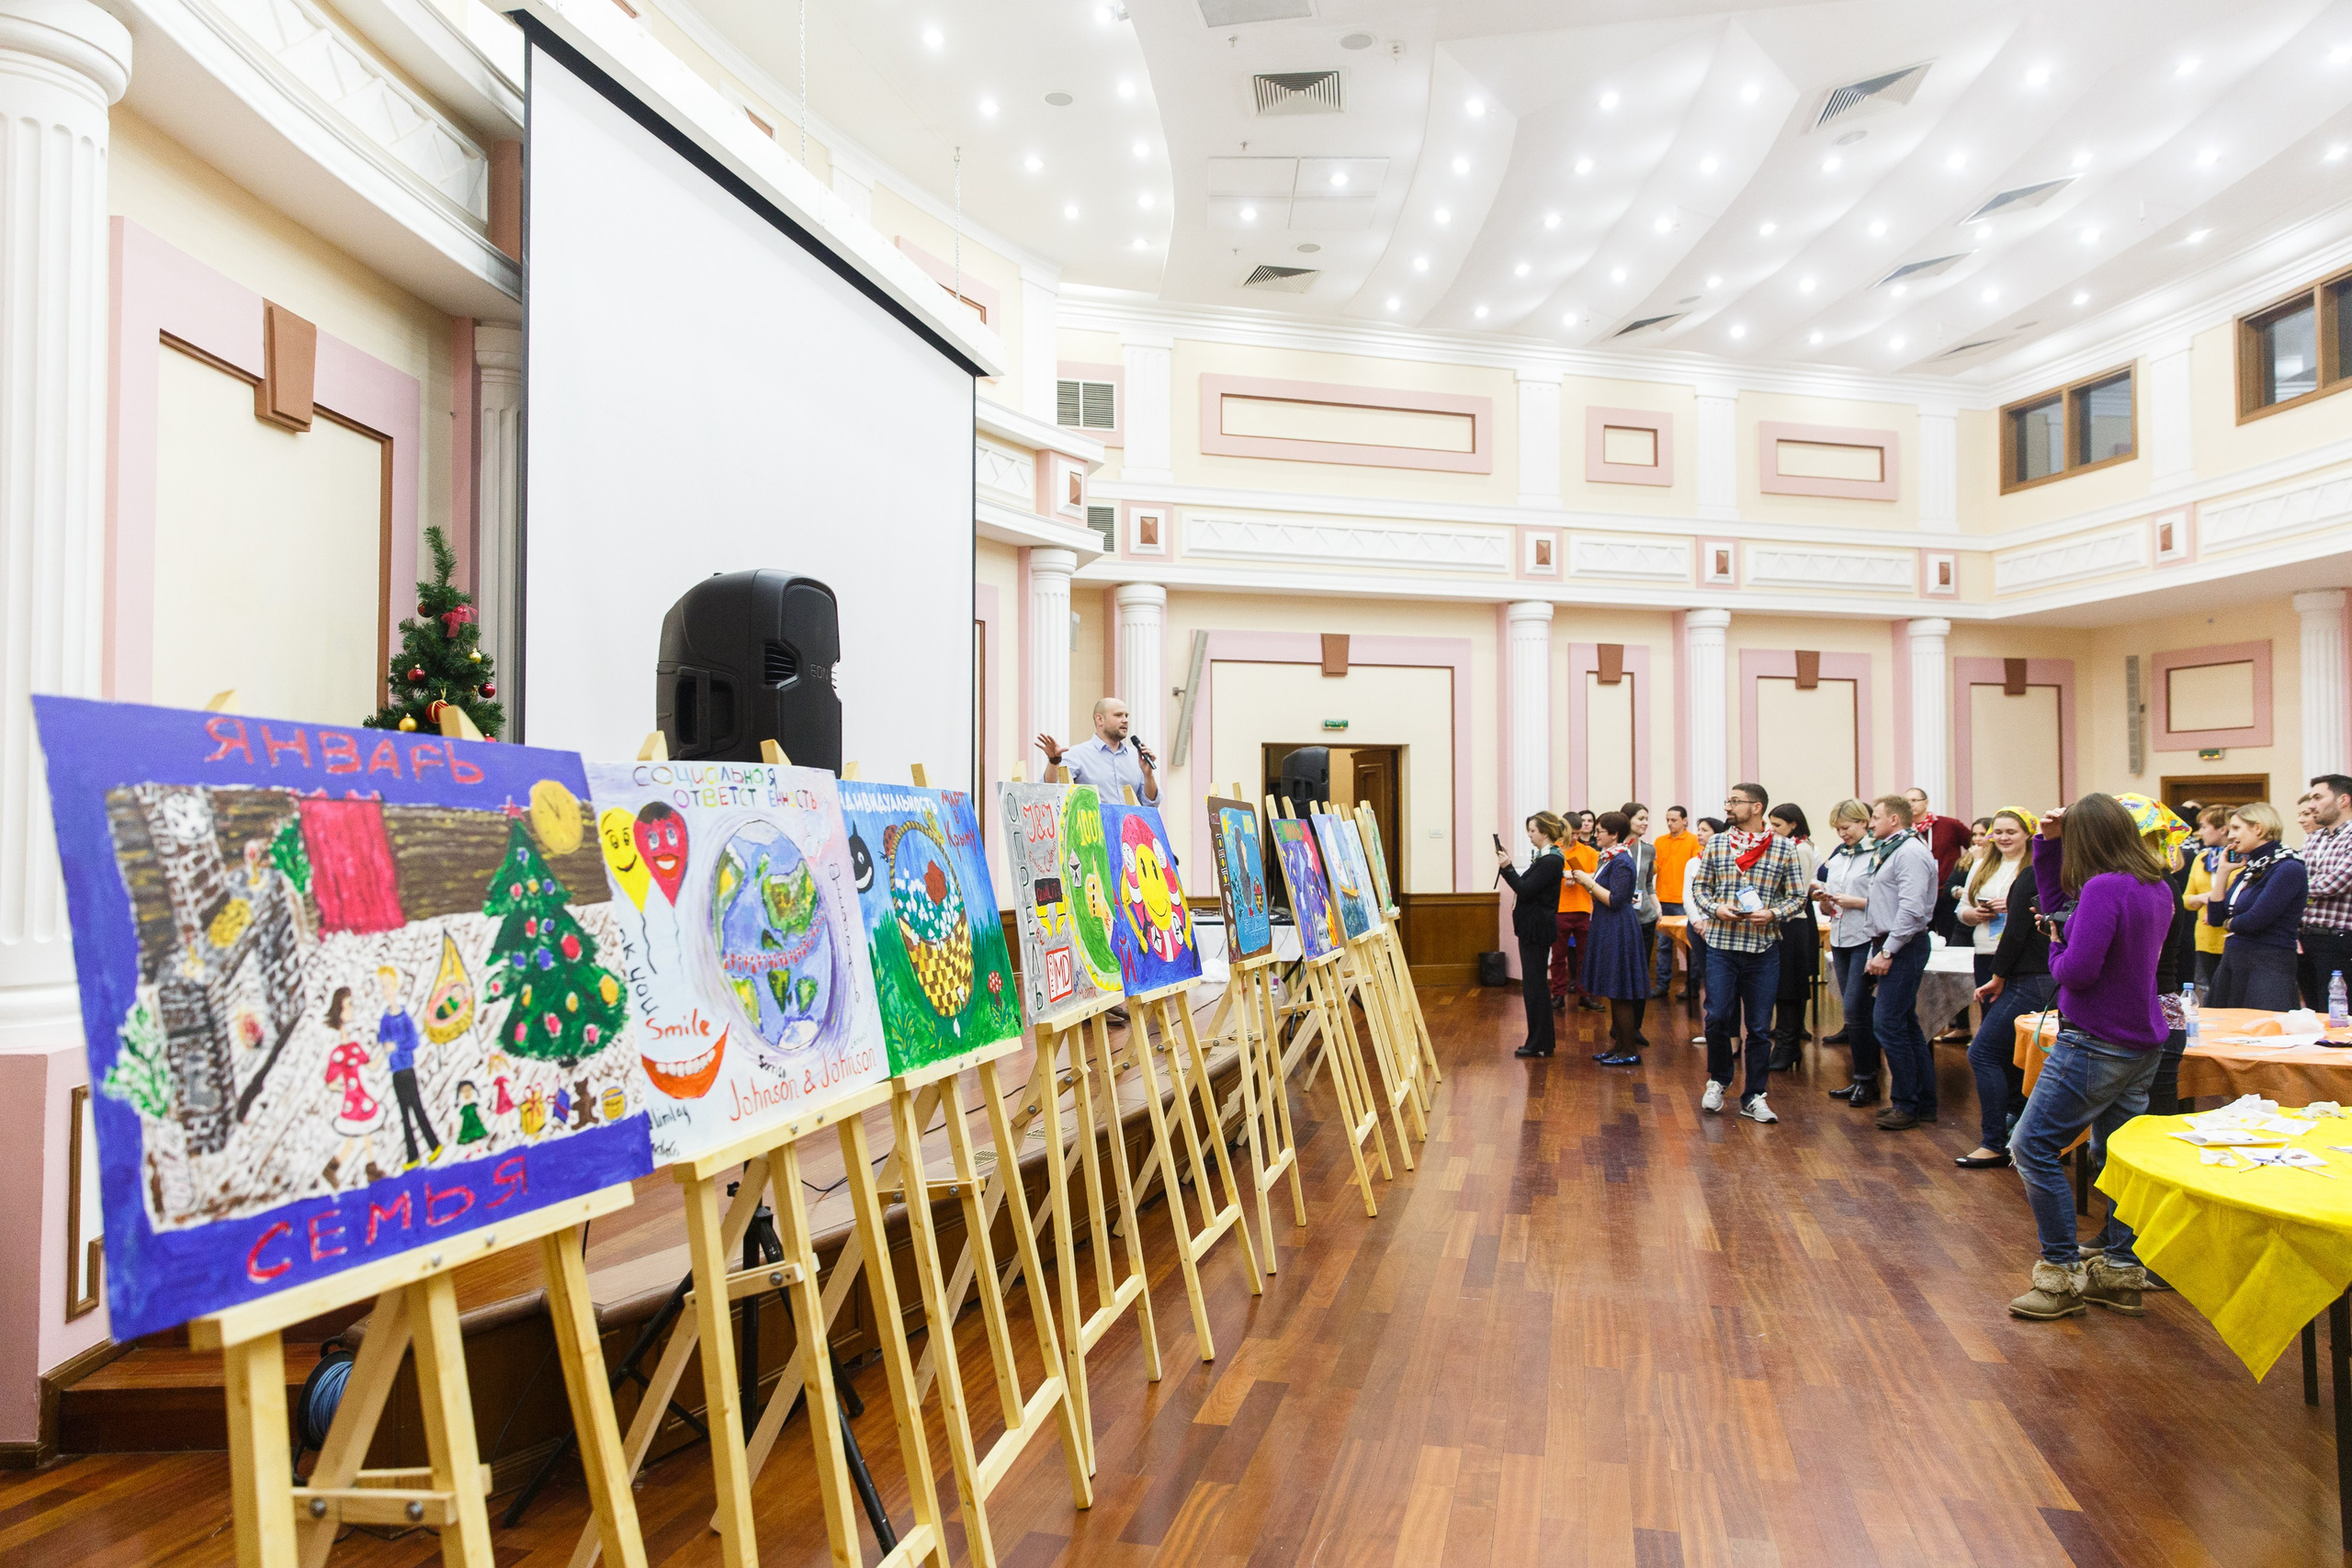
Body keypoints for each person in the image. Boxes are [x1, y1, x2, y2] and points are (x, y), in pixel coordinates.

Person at [2006, 795, 2177, 1322]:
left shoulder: (2105, 888)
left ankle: (2059, 1278)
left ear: (2087, 842)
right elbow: (2060, 901)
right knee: (2117, 1158)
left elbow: (2076, 972)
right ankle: (2121, 1274)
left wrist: (2056, 942)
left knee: (2032, 1148)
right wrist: (2045, 844)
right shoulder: (2155, 885)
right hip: (2142, 1040)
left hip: (2096, 1039)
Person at [1687, 785, 1804, 1123]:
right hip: (1722, 945)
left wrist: (1773, 913)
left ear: (1756, 807)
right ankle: (1718, 1080)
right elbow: (1700, 888)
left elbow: (1797, 897)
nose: (1728, 806)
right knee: (1718, 1017)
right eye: (1727, 801)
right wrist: (1714, 907)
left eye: (1734, 802)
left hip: (1762, 948)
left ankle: (1754, 1095)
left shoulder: (1783, 847)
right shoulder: (1719, 843)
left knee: (1758, 1027)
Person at [1956, 810, 2052, 1168]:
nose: (2003, 837)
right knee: (2009, 1054)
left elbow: (2015, 934)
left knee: (1984, 1053)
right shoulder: (2060, 874)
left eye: (2013, 831)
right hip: (2027, 970)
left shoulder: (2032, 873)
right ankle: (2015, 1134)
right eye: (1998, 832)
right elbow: (1962, 907)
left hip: (2026, 974)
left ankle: (1995, 1142)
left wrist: (1998, 975)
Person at [1853, 795, 1939, 1130]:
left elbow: (1912, 909)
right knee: (1904, 1025)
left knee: (1887, 1024)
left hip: (1903, 944)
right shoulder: (1893, 849)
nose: (1870, 824)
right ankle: (1922, 1102)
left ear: (1893, 820)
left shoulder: (1911, 852)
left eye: (1874, 818)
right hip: (1892, 942)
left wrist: (1888, 951)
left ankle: (1907, 1103)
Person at [1813, 800, 1883, 1105]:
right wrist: (1824, 900)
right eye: (1838, 829)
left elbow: (1884, 901)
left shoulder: (1877, 855)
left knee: (1856, 1009)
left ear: (1864, 822)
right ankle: (1860, 1078)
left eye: (1846, 828)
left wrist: (1853, 901)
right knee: (1851, 1011)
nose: (1842, 834)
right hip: (1840, 937)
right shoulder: (1839, 856)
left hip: (1866, 937)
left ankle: (1868, 1080)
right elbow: (1829, 904)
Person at [2205, 801, 2306, 1010]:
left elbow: (2255, 920)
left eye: (2236, 828)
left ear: (2258, 828)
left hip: (2268, 965)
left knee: (2263, 1034)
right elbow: (2215, 917)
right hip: (2234, 960)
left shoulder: (2288, 867)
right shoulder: (2249, 868)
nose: (2230, 835)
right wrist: (2223, 872)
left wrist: (2229, 923)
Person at [1570, 811, 1651, 1065]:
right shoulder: (1610, 858)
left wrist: (1587, 882)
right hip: (1607, 925)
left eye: (1600, 831)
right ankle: (1620, 1047)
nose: (1596, 834)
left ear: (1614, 834)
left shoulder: (1622, 862)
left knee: (1621, 992)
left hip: (1618, 927)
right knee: (1614, 991)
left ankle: (1629, 1051)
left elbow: (1616, 900)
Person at [1497, 813, 1569, 1058]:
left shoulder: (1550, 861)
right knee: (1534, 984)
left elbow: (1525, 889)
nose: (1529, 835)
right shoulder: (1546, 859)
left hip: (1537, 928)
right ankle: (1540, 1041)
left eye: (1532, 830)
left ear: (1545, 832)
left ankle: (1539, 1041)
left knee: (1535, 985)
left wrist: (1507, 867)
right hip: (1534, 926)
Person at [1766, 804, 1818, 1072]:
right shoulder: (1793, 846)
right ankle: (1787, 1044)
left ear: (1794, 824)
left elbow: (1791, 888)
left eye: (1778, 826)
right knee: (1785, 987)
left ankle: (1788, 1046)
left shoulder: (1798, 849)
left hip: (1793, 922)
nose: (1772, 830)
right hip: (1788, 921)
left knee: (1789, 988)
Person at [378, 964, 442, 1171]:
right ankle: (413, 1155)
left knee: (417, 1108)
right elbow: (382, 1039)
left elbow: (414, 1041)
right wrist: (385, 1047)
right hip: (395, 1071)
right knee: (404, 1113)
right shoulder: (385, 1019)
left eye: (388, 985)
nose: (386, 990)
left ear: (396, 986)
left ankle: (434, 1145)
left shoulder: (404, 1017)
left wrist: (396, 1045)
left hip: (407, 1069)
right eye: (383, 987)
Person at [1037, 698, 1159, 805]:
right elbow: (1050, 790)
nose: (1125, 720)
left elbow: (1150, 803)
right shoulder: (1077, 754)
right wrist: (1054, 761)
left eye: (1126, 716)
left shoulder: (1136, 757)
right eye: (1118, 715)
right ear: (1100, 719)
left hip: (1128, 829)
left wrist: (1149, 775)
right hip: (1093, 829)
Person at [2298, 774, 2352, 1010]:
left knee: (2338, 1012)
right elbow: (2296, 876)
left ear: (2343, 800)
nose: (2311, 805)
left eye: (2318, 798)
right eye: (2311, 798)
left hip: (2339, 940)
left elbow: (2334, 884)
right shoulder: (2314, 839)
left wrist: (2294, 888)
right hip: (2305, 937)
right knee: (2312, 1011)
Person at [2181, 806, 2236, 989]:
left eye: (2204, 827)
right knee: (2207, 992)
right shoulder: (2201, 858)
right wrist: (2203, 898)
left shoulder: (2243, 860)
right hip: (2205, 939)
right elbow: (2186, 900)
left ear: (2223, 830)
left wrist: (2218, 901)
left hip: (2232, 938)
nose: (2199, 833)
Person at [1552, 818, 1601, 1012]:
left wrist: (1578, 876)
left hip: (1583, 909)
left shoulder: (1589, 851)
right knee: (1558, 956)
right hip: (1559, 909)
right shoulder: (1554, 851)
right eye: (1571, 833)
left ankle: (1586, 994)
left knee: (1586, 955)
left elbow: (1597, 874)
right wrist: (1567, 875)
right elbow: (1548, 873)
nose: (1574, 837)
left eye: (1577, 833)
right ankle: (1558, 994)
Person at [1652, 807, 1702, 998]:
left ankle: (1693, 987)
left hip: (1684, 901)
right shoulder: (1660, 841)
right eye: (1668, 820)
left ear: (1685, 821)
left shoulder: (1693, 841)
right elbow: (1656, 866)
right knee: (1663, 946)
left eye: (1674, 820)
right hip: (1663, 898)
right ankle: (1662, 985)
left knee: (1691, 946)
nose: (1670, 823)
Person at [1622, 803, 1659, 1043]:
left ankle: (1636, 1027)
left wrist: (1657, 907)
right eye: (1641, 818)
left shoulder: (1649, 850)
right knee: (1622, 973)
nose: (1645, 823)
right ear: (1627, 820)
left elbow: (1647, 884)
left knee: (1641, 973)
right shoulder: (1615, 850)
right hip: (1622, 920)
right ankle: (1621, 1026)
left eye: (1647, 819)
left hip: (1645, 918)